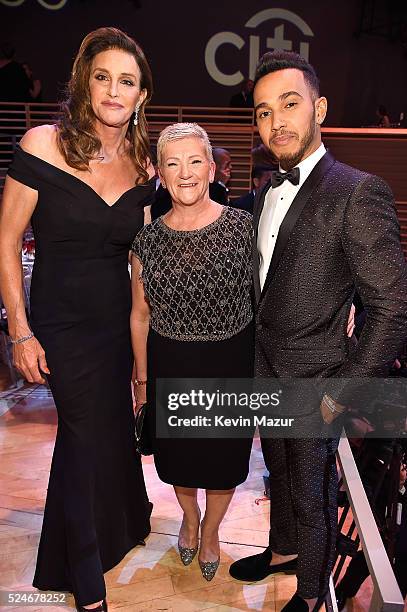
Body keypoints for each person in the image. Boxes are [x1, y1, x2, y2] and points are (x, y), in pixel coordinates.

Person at [228, 50, 407, 611]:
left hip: (321, 380)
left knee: (313, 492)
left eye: (289, 104)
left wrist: (341, 393)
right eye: (262, 112)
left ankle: (311, 596)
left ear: (319, 108)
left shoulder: (358, 190)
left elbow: (392, 307)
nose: (275, 121)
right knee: (279, 475)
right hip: (267, 369)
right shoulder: (262, 195)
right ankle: (283, 552)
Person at [0, 27, 156, 612]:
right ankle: (82, 577)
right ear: (84, 83)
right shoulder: (42, 145)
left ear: (141, 95)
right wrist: (19, 327)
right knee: (82, 436)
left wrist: (141, 365)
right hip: (61, 324)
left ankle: (118, 532)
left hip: (116, 324)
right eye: (103, 77)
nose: (113, 90)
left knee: (110, 433)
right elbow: (7, 239)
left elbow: (141, 269)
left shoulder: (144, 166)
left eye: (127, 81)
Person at [131, 122, 254, 582]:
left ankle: (212, 531)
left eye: (194, 161)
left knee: (223, 464)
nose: (185, 173)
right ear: (160, 172)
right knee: (180, 460)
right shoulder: (147, 241)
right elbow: (139, 316)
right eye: (173, 163)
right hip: (172, 365)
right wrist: (142, 383)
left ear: (212, 168)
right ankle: (187, 517)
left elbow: (275, 293)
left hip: (230, 365)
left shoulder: (243, 229)